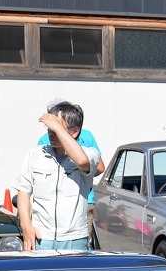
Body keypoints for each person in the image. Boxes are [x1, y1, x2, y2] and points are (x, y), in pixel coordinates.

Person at [13, 101, 100, 251]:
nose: (51, 132)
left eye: (57, 127)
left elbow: (82, 161)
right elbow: (23, 190)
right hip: (41, 237)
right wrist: (26, 226)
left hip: (75, 238)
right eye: (49, 128)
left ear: (75, 132)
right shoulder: (35, 154)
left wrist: (58, 128)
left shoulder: (90, 153)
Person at [37, 98, 104, 242]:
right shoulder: (45, 140)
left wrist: (84, 173)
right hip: (67, 206)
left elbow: (98, 166)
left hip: (81, 204)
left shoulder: (84, 137)